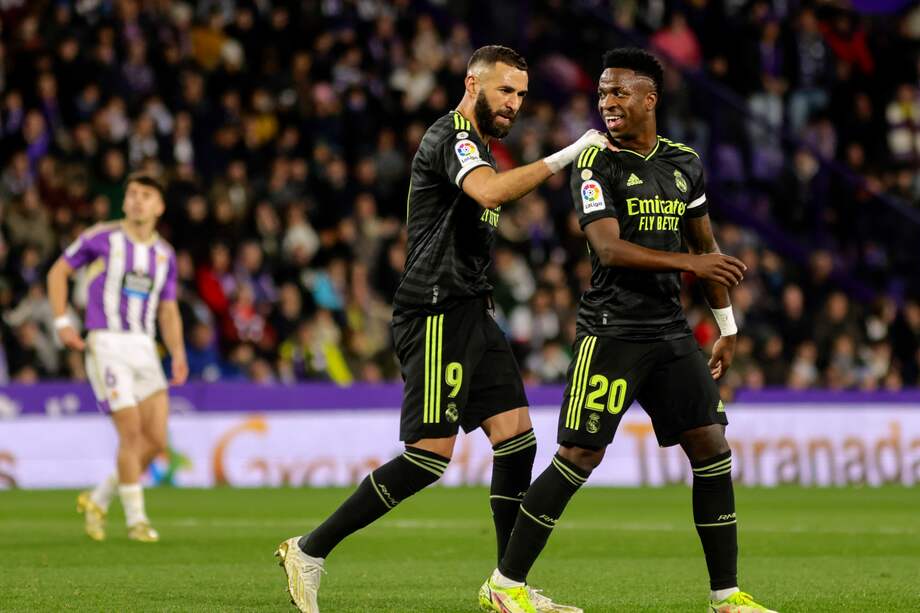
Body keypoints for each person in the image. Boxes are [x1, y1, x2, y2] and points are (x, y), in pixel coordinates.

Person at [276, 45, 611, 613]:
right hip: (434, 311)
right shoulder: (451, 137)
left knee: (518, 441)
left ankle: (507, 585)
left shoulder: (480, 147)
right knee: (429, 456)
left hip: (473, 310)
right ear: (472, 84)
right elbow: (489, 192)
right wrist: (569, 154)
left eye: (522, 95)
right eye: (505, 90)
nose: (514, 103)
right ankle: (309, 549)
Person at [480, 48, 777, 613]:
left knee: (712, 447)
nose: (607, 102)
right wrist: (692, 265)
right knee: (579, 455)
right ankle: (504, 583)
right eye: (601, 93)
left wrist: (726, 325)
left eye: (618, 92)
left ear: (650, 98)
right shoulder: (596, 162)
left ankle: (726, 597)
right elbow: (610, 249)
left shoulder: (685, 162)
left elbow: (706, 248)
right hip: (612, 331)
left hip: (669, 332)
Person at [47, 173, 187, 543]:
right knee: (131, 433)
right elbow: (58, 271)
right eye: (133, 194)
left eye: (147, 195)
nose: (138, 200)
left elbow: (168, 309)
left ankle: (98, 499)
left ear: (159, 206)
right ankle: (137, 521)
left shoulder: (165, 254)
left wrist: (178, 352)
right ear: (124, 202)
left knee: (155, 441)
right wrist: (62, 322)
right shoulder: (101, 237)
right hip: (106, 343)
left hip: (145, 346)